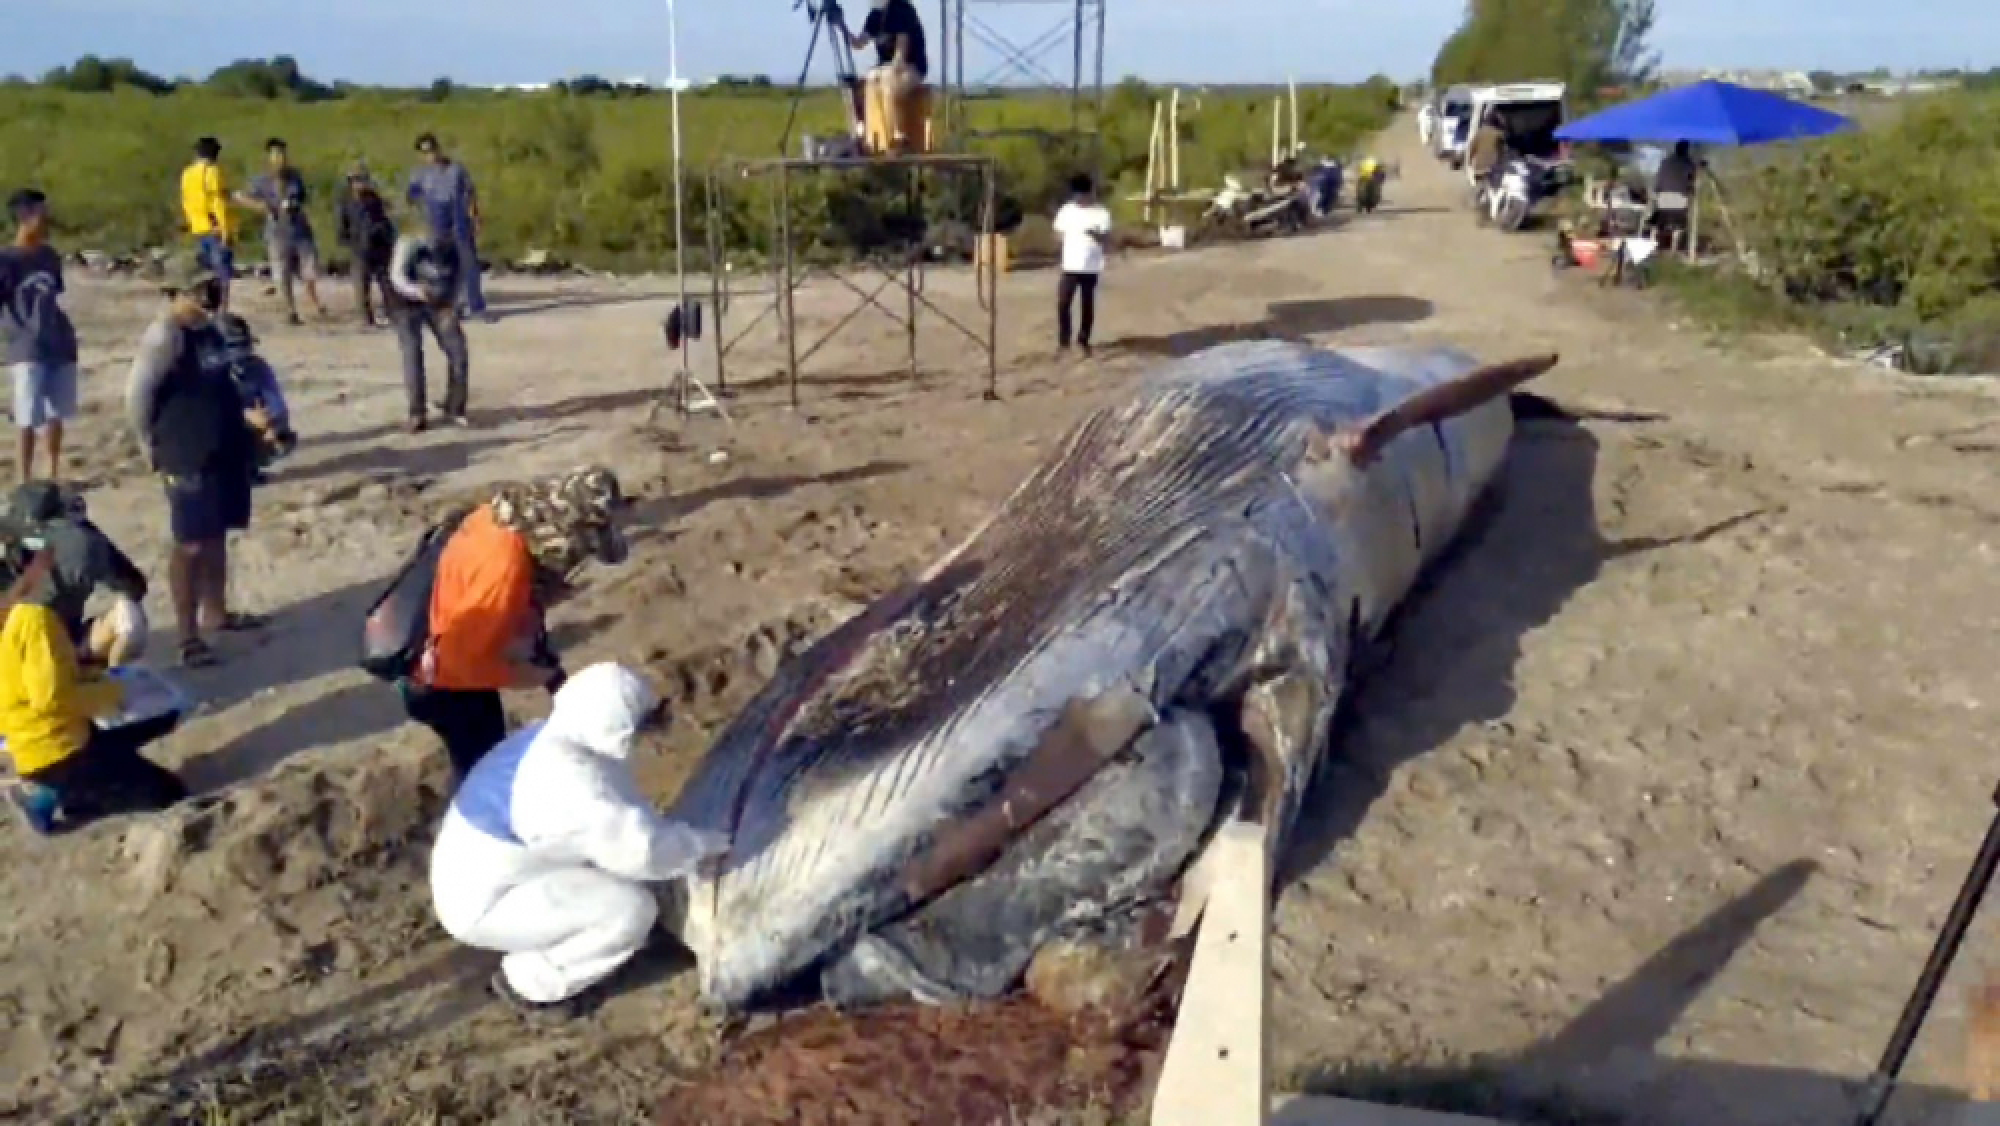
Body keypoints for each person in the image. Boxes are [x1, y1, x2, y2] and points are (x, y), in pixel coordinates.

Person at [429, 662, 729, 1018]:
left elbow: (624, 822)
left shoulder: (557, 738)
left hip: (489, 873)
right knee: (629, 911)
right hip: (484, 904)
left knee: (623, 879)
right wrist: (709, 845)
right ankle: (531, 984)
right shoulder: (572, 782)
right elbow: (643, 852)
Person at [403, 467, 629, 783]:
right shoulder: (505, 575)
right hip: (441, 684)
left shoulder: (500, 516)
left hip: (441, 646)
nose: (577, 561)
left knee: (485, 765)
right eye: (582, 548)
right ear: (563, 536)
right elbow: (461, 663)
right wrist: (531, 676)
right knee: (483, 775)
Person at [125, 256, 266, 669]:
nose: (209, 293)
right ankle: (187, 637)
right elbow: (138, 398)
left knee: (216, 533)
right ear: (177, 292)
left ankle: (216, 613)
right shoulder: (165, 337)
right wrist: (151, 447)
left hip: (222, 448)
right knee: (189, 543)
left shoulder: (209, 330)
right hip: (185, 453)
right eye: (200, 288)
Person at [0, 545, 186, 835]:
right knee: (167, 793)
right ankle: (51, 795)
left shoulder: (11, 619)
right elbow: (52, 698)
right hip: (58, 752)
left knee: (155, 723)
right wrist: (110, 693)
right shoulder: (34, 621)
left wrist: (92, 677)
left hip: (35, 744)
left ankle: (65, 790)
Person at [2, 481, 149, 666]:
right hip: (14, 654)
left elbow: (134, 585)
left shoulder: (76, 542)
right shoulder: (75, 542)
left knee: (128, 618)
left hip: (61, 645)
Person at [1, 190, 79, 484]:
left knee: (56, 412)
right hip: (26, 345)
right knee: (27, 415)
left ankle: (53, 473)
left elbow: (56, 294)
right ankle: (24, 479)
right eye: (41, 214)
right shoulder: (7, 260)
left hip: (58, 342)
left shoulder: (49, 257)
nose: (46, 220)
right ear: (26, 217)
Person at [386, 214, 473, 431]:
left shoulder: (456, 249)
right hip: (405, 303)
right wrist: (417, 291)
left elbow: (460, 279)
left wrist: (454, 307)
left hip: (439, 303)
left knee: (458, 351)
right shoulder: (409, 243)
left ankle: (455, 407)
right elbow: (396, 276)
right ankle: (417, 413)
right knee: (412, 353)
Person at [237, 138, 327, 326]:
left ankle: (313, 300)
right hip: (276, 231)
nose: (280, 159)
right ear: (269, 157)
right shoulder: (261, 180)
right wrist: (262, 207)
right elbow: (240, 196)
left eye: (283, 154)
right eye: (276, 155)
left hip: (299, 228)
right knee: (282, 273)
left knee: (309, 268)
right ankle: (290, 310)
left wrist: (295, 204)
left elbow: (303, 197)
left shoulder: (295, 177)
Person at [406, 134, 491, 322]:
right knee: (444, 268)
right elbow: (412, 198)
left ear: (438, 148)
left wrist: (476, 218)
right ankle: (451, 306)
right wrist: (419, 219)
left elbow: (470, 194)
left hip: (459, 219)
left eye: (432, 150)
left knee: (470, 264)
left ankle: (477, 307)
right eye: (425, 152)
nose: (430, 155)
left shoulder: (456, 170)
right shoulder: (419, 175)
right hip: (436, 222)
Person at [846, 0, 929, 152]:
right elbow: (859, 43)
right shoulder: (875, 16)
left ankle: (897, 136)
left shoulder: (902, 11)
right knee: (862, 85)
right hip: (887, 67)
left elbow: (900, 55)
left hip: (911, 66)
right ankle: (864, 133)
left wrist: (886, 72)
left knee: (890, 86)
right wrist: (841, 26)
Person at [1052, 173, 1110, 357]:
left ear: (1090, 193)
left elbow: (1106, 239)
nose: (1079, 199)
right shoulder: (1066, 211)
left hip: (1090, 267)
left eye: (1082, 195)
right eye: (1076, 196)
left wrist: (1095, 235)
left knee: (1087, 304)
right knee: (1063, 303)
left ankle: (1083, 340)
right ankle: (1064, 342)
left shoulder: (1101, 213)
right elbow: (1058, 233)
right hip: (1070, 265)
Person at [180, 137, 236, 313]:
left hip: (197, 227)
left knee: (204, 273)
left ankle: (205, 308)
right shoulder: (212, 172)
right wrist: (226, 230)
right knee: (222, 274)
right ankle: (222, 311)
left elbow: (186, 202)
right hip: (215, 228)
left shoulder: (187, 174)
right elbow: (217, 202)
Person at [336, 169, 398, 328]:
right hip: (359, 247)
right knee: (361, 284)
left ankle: (393, 313)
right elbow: (342, 225)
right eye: (356, 181)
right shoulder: (345, 202)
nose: (359, 184)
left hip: (378, 246)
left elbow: (383, 220)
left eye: (362, 180)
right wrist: (348, 240)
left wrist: (383, 235)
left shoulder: (373, 199)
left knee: (385, 282)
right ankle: (365, 318)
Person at [1467, 109, 1507, 195]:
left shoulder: (1480, 132)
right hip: (1492, 166)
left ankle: (1480, 192)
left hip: (1478, 165)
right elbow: (1501, 151)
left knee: (1481, 181)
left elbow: (1472, 148)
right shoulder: (1500, 134)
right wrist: (1501, 162)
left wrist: (1470, 161)